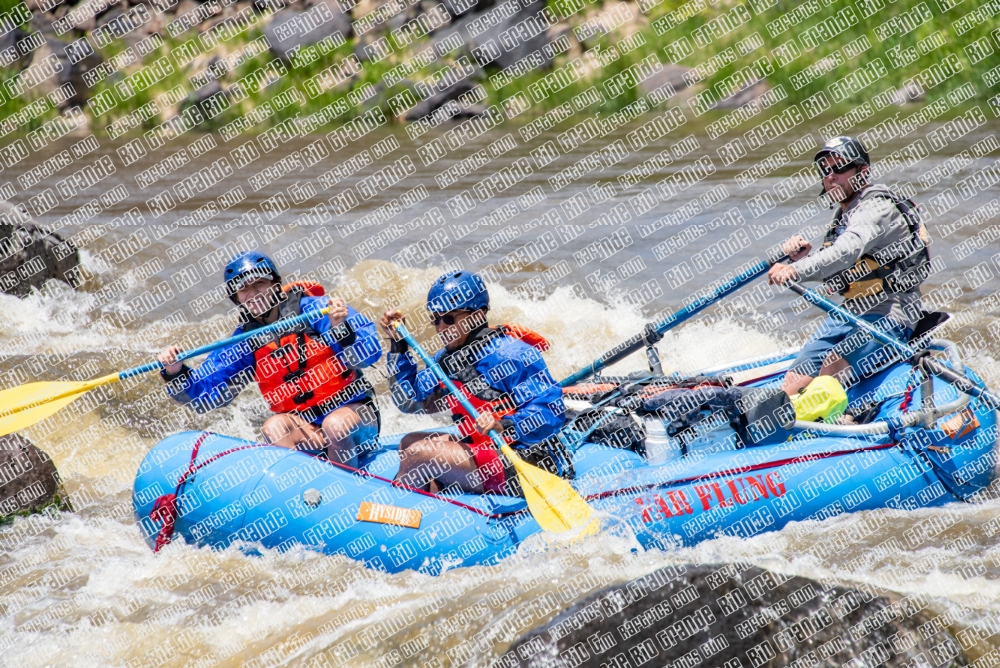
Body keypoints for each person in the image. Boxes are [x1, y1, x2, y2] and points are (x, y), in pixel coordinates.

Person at [158, 251, 382, 465]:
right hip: (307, 429)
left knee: (335, 425)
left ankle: (342, 492)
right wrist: (176, 371)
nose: (253, 294)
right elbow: (208, 396)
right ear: (236, 298)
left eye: (259, 284)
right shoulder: (246, 341)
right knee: (272, 427)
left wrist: (340, 329)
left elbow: (369, 355)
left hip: (356, 419)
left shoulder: (319, 310)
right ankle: (298, 493)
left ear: (275, 284)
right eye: (243, 289)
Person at [768, 136, 931, 400]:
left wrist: (796, 271)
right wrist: (803, 258)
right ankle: (777, 419)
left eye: (839, 168)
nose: (830, 176)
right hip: (849, 312)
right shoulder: (842, 216)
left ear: (862, 172)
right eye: (825, 170)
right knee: (793, 380)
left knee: (833, 365)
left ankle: (828, 420)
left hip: (892, 313)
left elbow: (846, 251)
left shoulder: (876, 208)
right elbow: (841, 275)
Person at [379, 270, 565, 495]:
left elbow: (551, 412)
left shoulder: (513, 354)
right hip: (485, 449)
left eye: (449, 319)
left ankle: (393, 511)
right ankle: (422, 500)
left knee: (420, 453)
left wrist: (503, 425)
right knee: (409, 443)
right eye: (436, 319)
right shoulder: (445, 360)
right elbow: (409, 401)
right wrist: (398, 346)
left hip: (525, 460)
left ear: (477, 316)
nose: (440, 328)